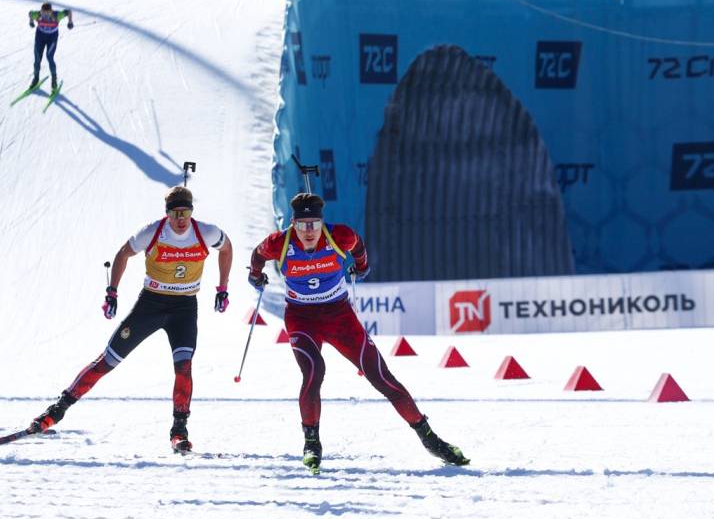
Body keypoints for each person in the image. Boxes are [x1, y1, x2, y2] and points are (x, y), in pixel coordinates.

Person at [248, 193, 469, 471]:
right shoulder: (279, 242)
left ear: (322, 223)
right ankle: (312, 443)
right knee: (314, 371)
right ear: (293, 224)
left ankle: (430, 439)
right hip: (302, 319)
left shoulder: (339, 236)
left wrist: (361, 267)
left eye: (314, 224)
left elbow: (359, 246)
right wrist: (255, 275)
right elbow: (257, 255)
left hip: (339, 316)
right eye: (302, 225)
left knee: (382, 377)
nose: (309, 231)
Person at [29, 186, 233, 452]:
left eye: (186, 213)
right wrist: (112, 292)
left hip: (184, 308)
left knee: (184, 368)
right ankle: (56, 411)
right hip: (151, 305)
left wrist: (222, 288)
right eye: (176, 214)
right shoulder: (153, 231)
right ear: (167, 214)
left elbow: (227, 249)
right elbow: (123, 253)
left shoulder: (206, 232)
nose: (181, 219)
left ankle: (179, 431)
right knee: (108, 360)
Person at [28, 2, 73, 91]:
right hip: (40, 37)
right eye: (43, 13)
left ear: (51, 11)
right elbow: (30, 13)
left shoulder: (57, 15)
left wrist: (70, 22)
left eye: (47, 13)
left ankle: (54, 80)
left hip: (52, 38)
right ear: (41, 11)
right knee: (37, 58)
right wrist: (31, 22)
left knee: (49, 57)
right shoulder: (37, 14)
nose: (45, 16)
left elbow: (69, 12)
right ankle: (36, 78)